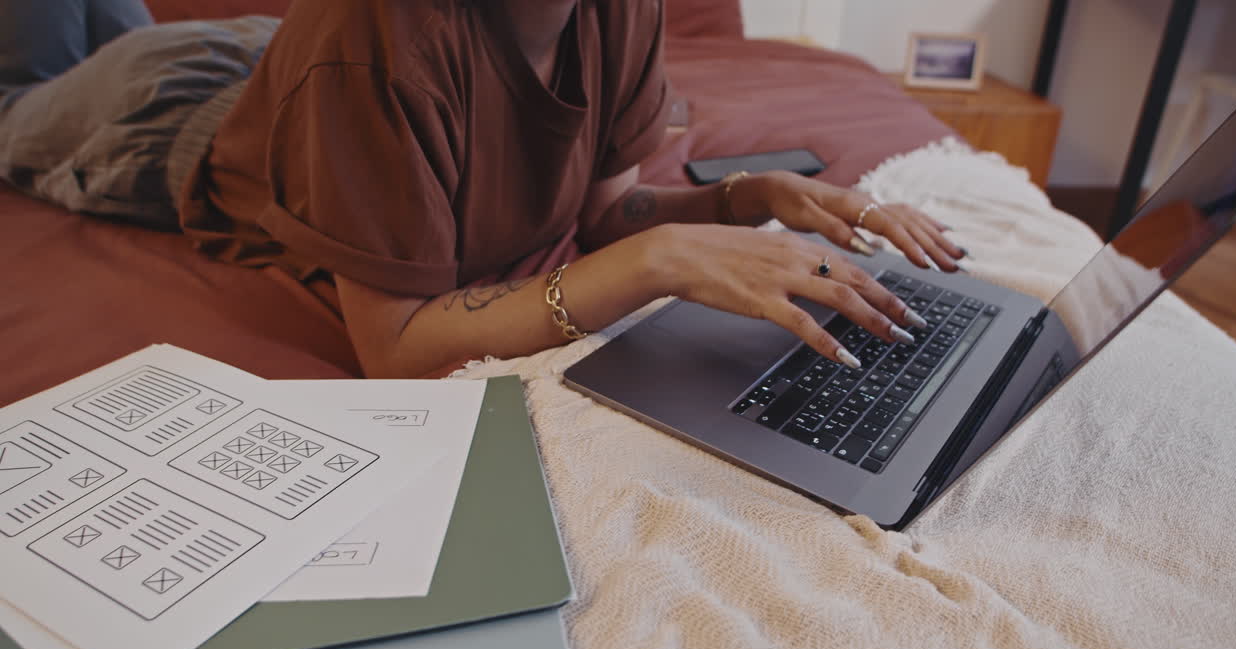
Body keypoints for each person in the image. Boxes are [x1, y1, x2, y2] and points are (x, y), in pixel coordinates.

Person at [0, 0, 967, 378]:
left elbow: (606, 215)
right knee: (23, 93)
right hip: (154, 118)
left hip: (278, 67)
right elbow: (397, 345)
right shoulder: (372, 44)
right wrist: (655, 263)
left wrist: (743, 198)